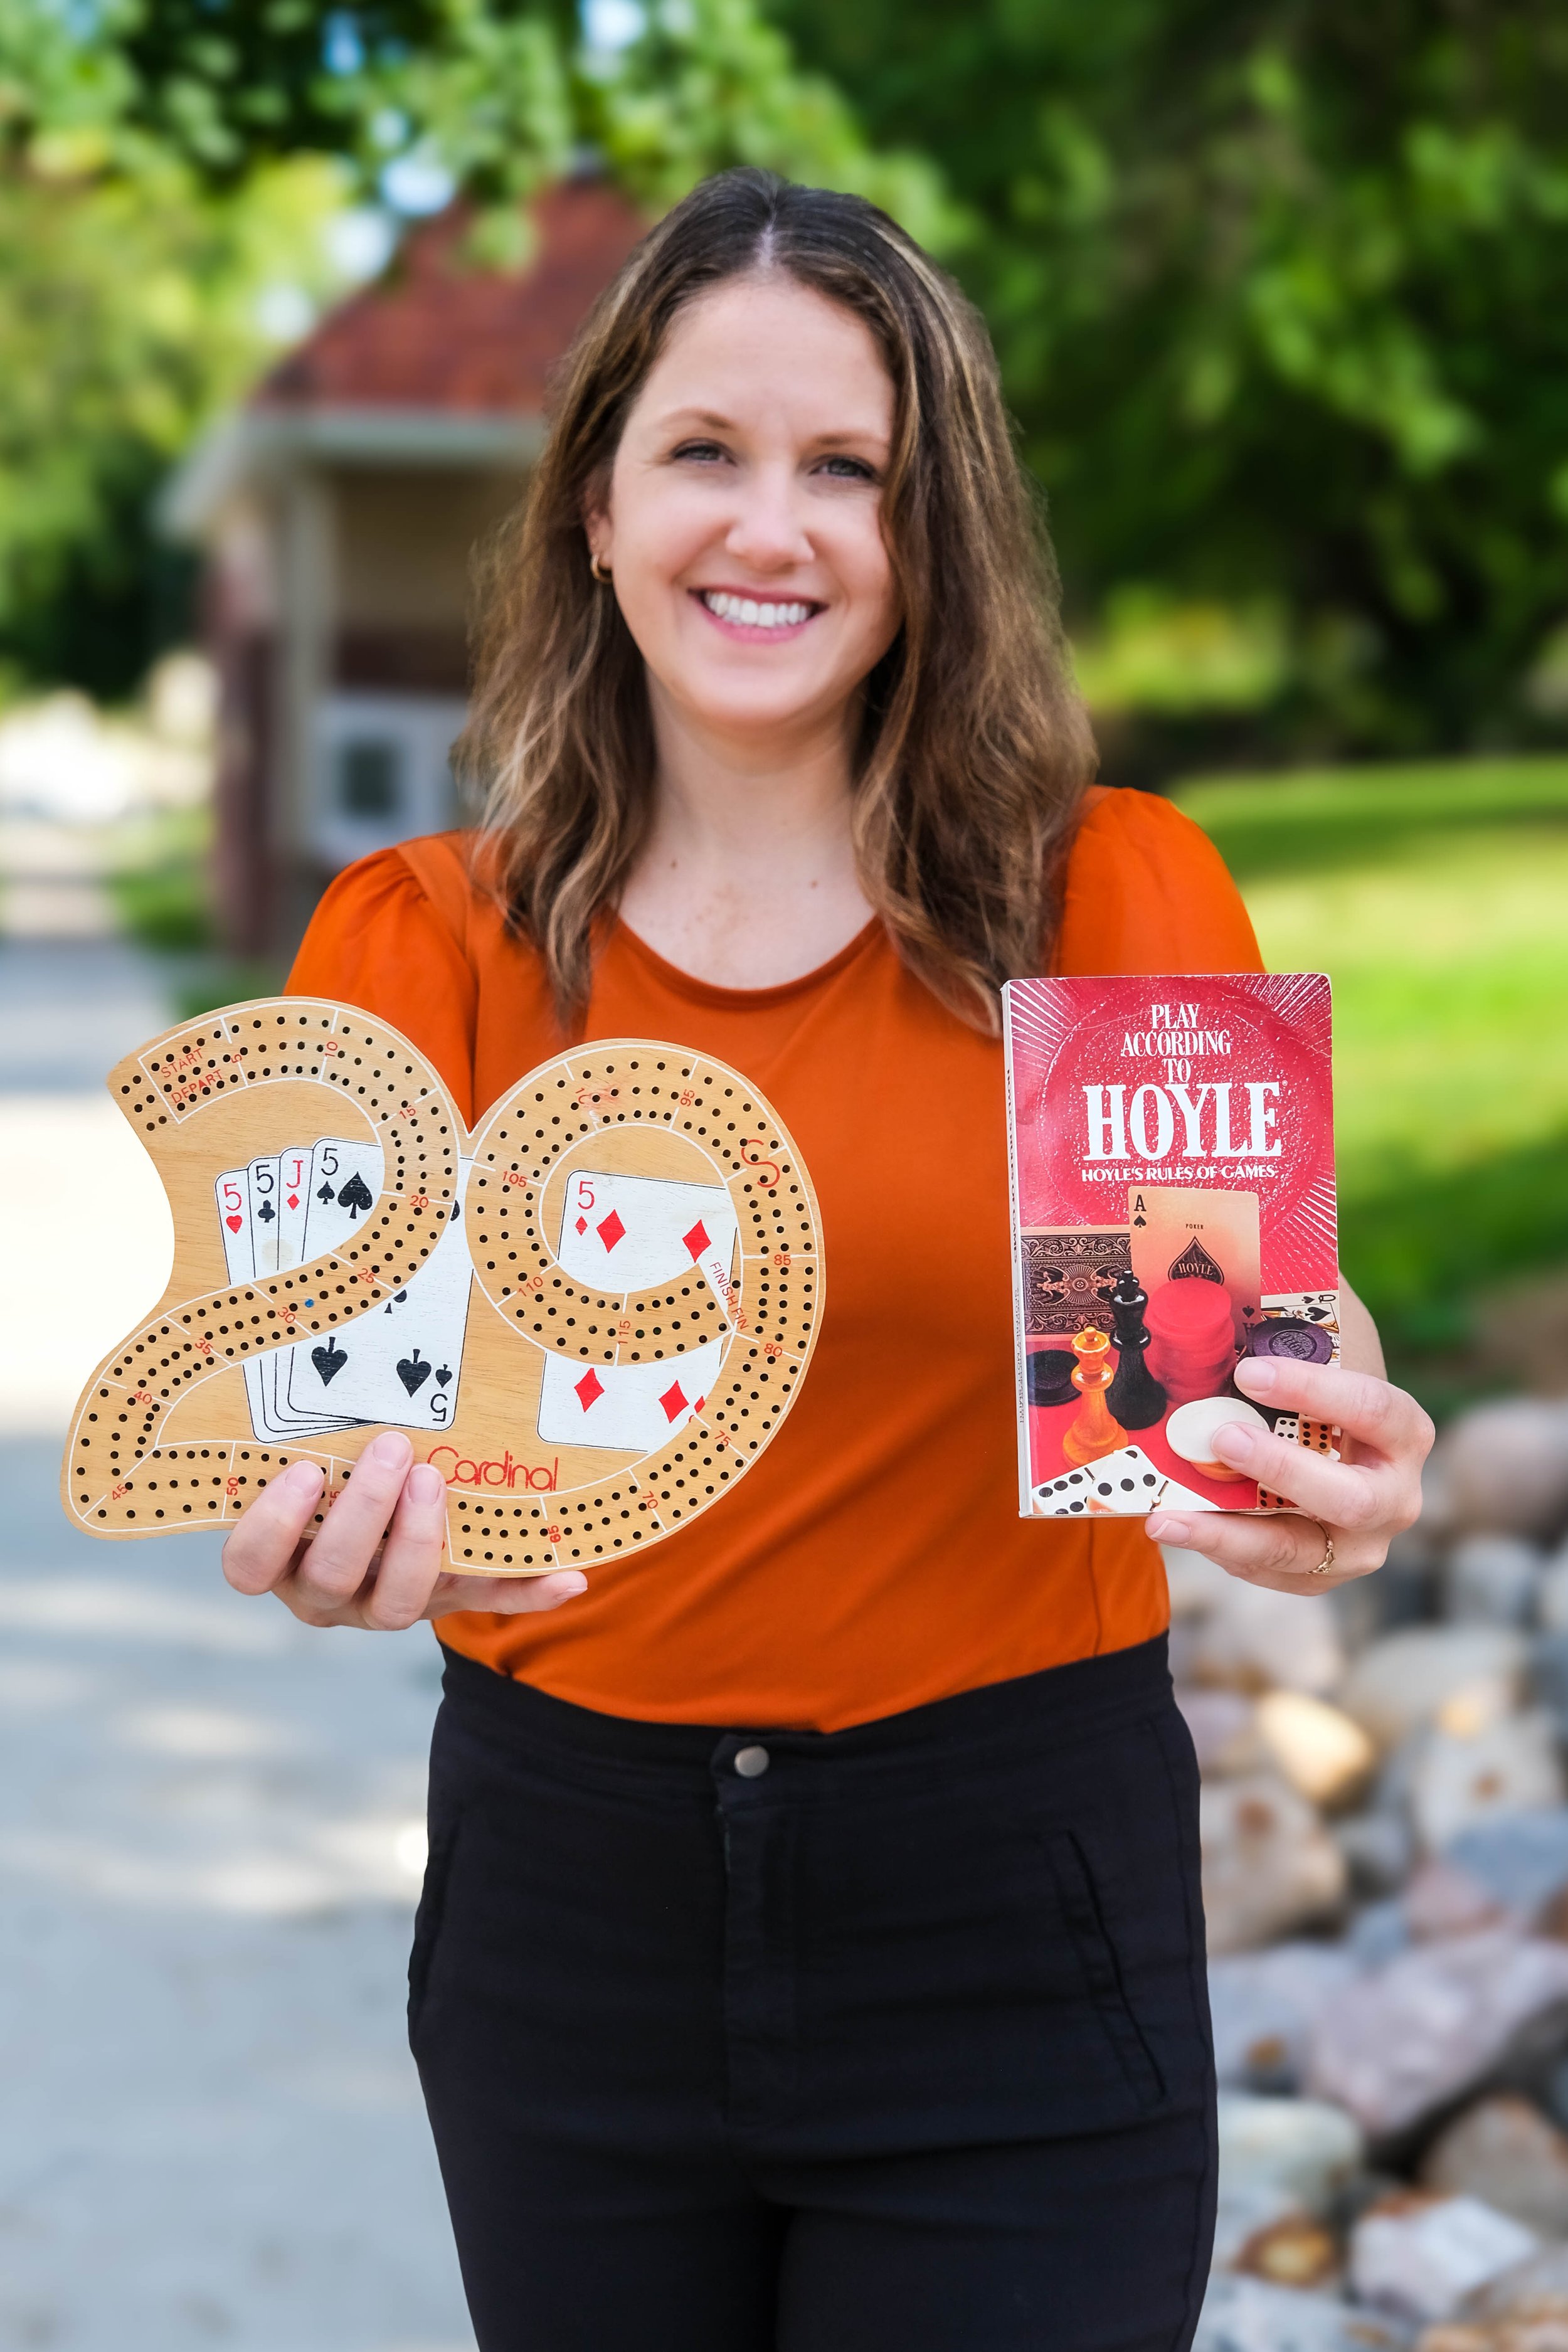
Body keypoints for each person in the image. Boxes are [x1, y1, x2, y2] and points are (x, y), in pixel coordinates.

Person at [222, 169, 1433, 2351]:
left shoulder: (1114, 907)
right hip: (568, 1927)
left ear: (927, 530)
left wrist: (1317, 1441)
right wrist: (325, 1537)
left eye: (846, 470)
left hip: (1014, 1909)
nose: (768, 529)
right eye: (703, 450)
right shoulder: (418, 948)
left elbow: (1236, 1345)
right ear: (595, 508)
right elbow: (327, 1439)